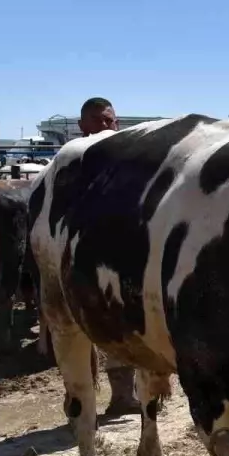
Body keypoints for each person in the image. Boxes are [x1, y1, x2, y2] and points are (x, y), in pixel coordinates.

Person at [75, 97, 138, 414]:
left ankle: (123, 396)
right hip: (82, 257)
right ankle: (81, 399)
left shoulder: (129, 160)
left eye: (109, 121)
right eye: (97, 121)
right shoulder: (73, 163)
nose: (104, 127)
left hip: (123, 255)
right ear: (81, 126)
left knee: (126, 326)